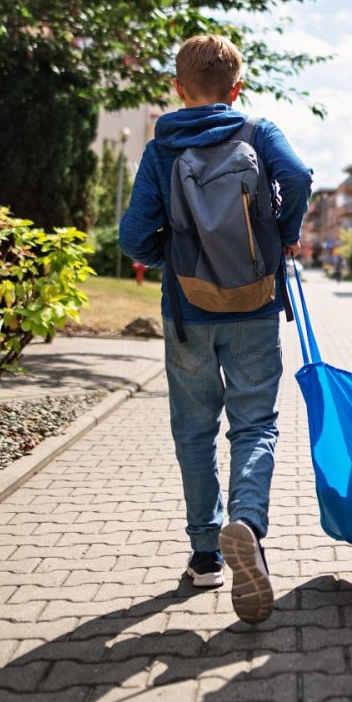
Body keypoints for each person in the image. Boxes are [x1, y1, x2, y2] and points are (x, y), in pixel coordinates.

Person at [119, 34, 312, 623]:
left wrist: (172, 256)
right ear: (237, 88)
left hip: (188, 313)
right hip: (255, 304)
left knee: (194, 431)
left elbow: (132, 237)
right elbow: (300, 177)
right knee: (255, 425)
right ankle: (247, 522)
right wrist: (281, 236)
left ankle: (205, 557)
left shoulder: (162, 147)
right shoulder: (259, 131)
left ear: (178, 88)